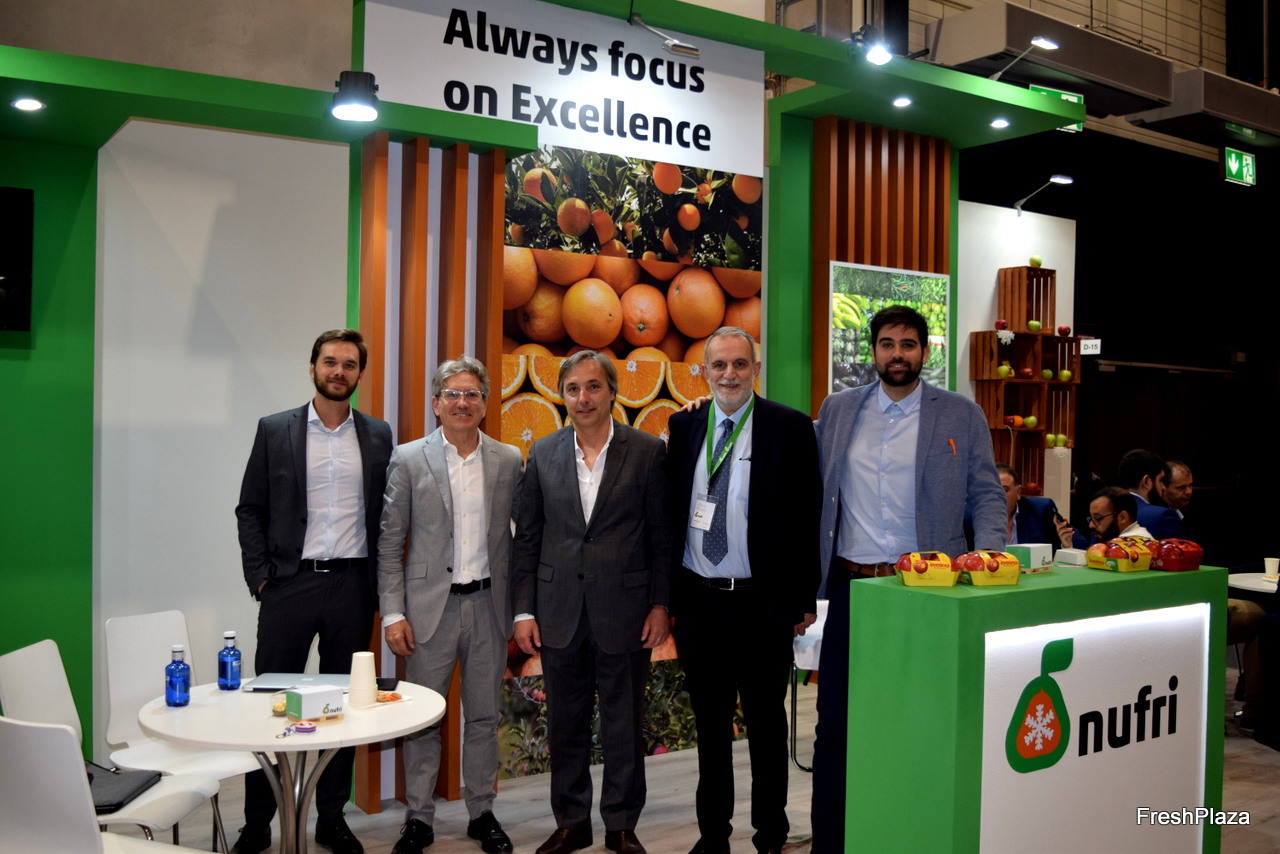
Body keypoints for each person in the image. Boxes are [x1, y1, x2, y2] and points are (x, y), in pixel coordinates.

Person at [810, 305, 1005, 852]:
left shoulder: (961, 414)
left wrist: (990, 558)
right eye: (888, 344)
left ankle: (915, 833)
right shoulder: (839, 409)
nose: (898, 354)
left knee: (924, 719)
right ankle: (831, 841)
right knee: (836, 723)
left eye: (909, 344)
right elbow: (794, 456)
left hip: (929, 592)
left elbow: (987, 493)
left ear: (925, 351)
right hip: (853, 589)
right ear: (873, 351)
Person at [234, 328, 392, 854]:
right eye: (330, 362)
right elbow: (250, 508)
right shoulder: (275, 429)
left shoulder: (378, 435)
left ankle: (331, 818)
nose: (338, 372)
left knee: (345, 704)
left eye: (349, 364)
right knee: (270, 704)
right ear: (312, 368)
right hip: (289, 585)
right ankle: (257, 823)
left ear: (359, 373)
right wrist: (261, 576)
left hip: (352, 587)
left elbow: (385, 514)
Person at [666, 327, 820, 854]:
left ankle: (770, 835)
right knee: (710, 728)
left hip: (761, 604)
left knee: (766, 725)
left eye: (739, 364)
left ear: (756, 368)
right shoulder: (685, 424)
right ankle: (713, 836)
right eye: (719, 365)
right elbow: (671, 510)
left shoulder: (790, 427)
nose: (729, 374)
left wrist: (803, 598)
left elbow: (807, 515)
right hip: (700, 602)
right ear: (704, 372)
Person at [511, 350, 672, 854]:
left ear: (613, 392)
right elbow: (527, 538)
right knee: (566, 724)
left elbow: (662, 538)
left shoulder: (647, 452)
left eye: (594, 386)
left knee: (624, 724)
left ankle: (621, 825)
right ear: (562, 396)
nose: (583, 397)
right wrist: (523, 610)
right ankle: (572, 822)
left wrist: (661, 605)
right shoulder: (542, 452)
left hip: (626, 611)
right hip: (557, 611)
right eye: (573, 388)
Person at [377, 358, 521, 854]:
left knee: (483, 717)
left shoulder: (509, 460)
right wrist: (393, 612)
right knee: (422, 719)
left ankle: (482, 812)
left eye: (472, 394)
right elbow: (390, 541)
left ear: (485, 403)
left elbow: (522, 541)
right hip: (427, 612)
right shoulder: (408, 459)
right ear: (436, 404)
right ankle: (418, 818)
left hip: (488, 606)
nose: (463, 402)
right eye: (452, 394)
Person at [993, 463, 1088, 549]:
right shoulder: (983, 518)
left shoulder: (1041, 510)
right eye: (990, 490)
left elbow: (1081, 544)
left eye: (1004, 490)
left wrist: (1067, 545)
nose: (996, 496)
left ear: (1018, 492)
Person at [1116, 448, 1183, 539]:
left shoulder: (1107, 513)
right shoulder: (1164, 516)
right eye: (1160, 480)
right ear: (1146, 481)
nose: (1163, 487)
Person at [1087, 486, 1151, 540]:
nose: (1091, 525)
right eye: (1091, 518)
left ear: (1122, 518)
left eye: (1098, 518)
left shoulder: (1131, 545)